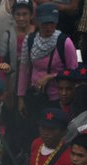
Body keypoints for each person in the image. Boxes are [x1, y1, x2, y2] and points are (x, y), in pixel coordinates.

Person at [17, 3, 78, 142]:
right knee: (34, 133)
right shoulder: (30, 40)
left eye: (51, 23)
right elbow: (24, 69)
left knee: (55, 135)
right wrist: (21, 97)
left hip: (57, 98)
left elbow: (74, 72)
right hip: (35, 97)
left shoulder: (65, 42)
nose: (48, 27)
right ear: (38, 22)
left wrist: (51, 77)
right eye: (44, 23)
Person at [0, 0, 34, 109]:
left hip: (31, 82)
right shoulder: (6, 36)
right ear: (13, 15)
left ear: (31, 15)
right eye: (18, 14)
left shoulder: (37, 34)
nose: (21, 18)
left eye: (25, 14)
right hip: (11, 82)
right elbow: (0, 62)